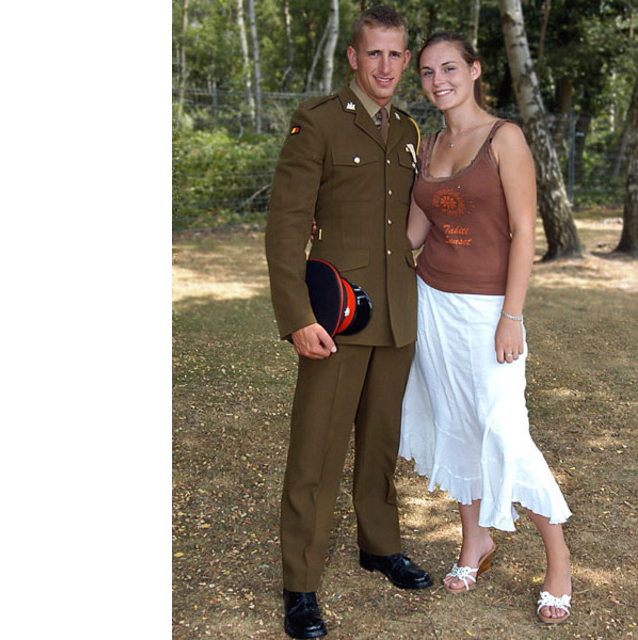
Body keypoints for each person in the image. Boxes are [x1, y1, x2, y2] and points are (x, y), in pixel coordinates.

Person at [265, 6, 432, 639]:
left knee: (381, 441)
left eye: (397, 55)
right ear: (354, 59)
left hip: (395, 315)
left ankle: (379, 545)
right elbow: (286, 227)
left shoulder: (412, 128)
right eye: (375, 54)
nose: (386, 67)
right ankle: (301, 583)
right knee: (316, 450)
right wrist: (298, 317)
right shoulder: (319, 122)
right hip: (336, 318)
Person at [398, 31, 574, 625]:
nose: (437, 80)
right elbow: (415, 233)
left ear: (474, 70)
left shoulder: (505, 138)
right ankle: (474, 540)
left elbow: (525, 231)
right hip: (432, 304)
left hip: (488, 309)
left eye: (449, 68)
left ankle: (558, 558)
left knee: (503, 428)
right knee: (454, 419)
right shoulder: (430, 143)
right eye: (426, 72)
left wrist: (512, 315)